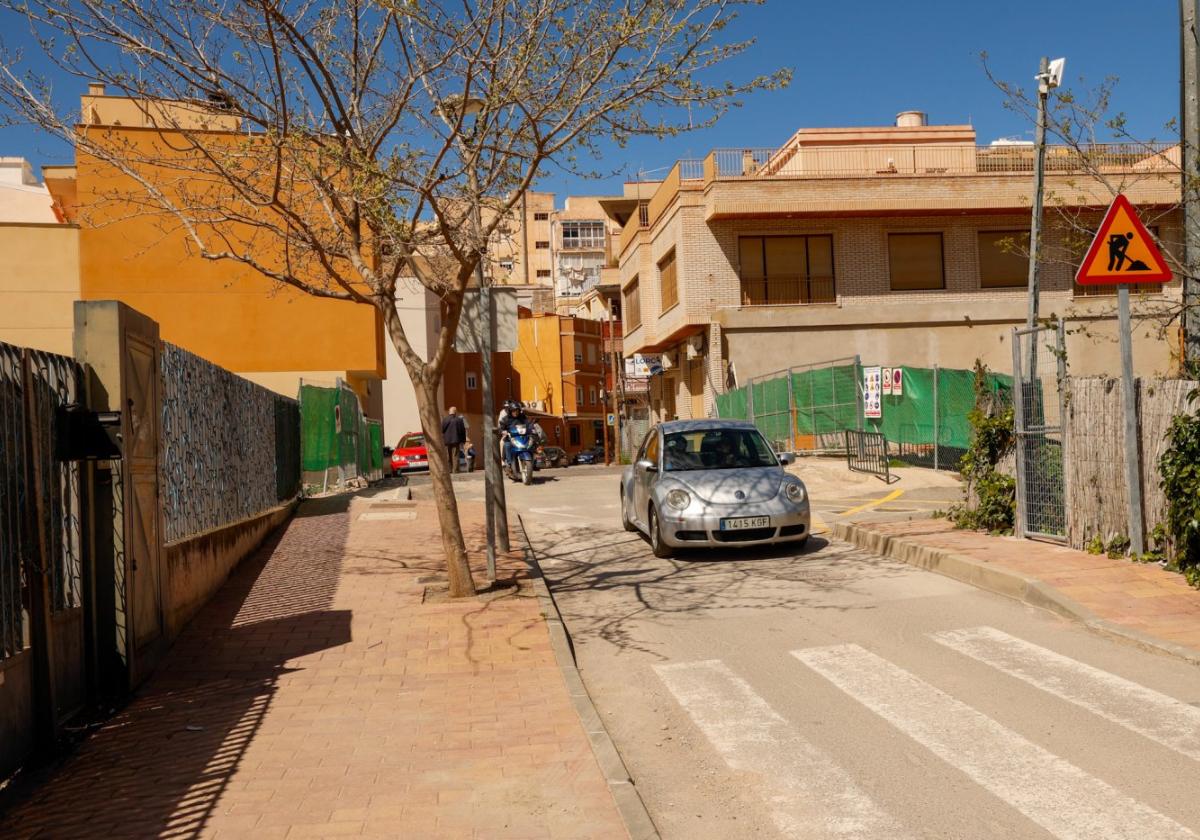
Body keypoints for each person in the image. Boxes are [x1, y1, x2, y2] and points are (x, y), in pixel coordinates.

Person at [441, 406, 467, 474]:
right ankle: (455, 470)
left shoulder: (445, 420)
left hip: (446, 441)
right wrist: (463, 441)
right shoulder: (459, 420)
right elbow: (462, 431)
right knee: (455, 455)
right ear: (455, 412)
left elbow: (442, 430)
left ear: (449, 412)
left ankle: (449, 470)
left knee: (448, 456)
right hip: (456, 441)